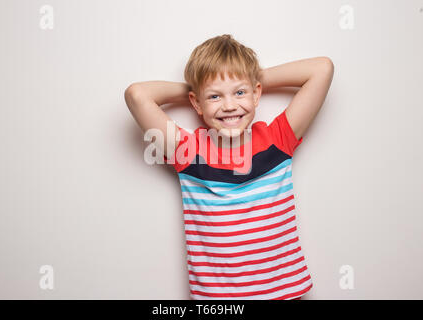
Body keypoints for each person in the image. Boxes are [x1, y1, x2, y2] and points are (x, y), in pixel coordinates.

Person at [124, 34, 334, 300]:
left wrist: (246, 77)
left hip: (284, 292)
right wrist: (203, 86)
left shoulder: (279, 139)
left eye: (240, 92)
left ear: (256, 93)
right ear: (196, 103)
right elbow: (136, 94)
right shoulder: (188, 152)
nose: (230, 105)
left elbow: (322, 69)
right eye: (214, 97)